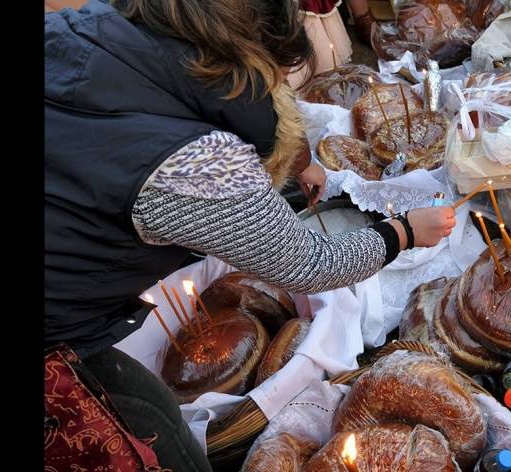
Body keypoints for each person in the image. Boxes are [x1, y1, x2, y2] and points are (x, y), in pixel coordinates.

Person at [45, 0, 455, 470]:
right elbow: (307, 264)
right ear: (260, 61)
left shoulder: (79, 30)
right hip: (58, 335)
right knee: (158, 439)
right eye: (281, 79)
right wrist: (404, 230)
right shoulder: (197, 162)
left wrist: (299, 162)